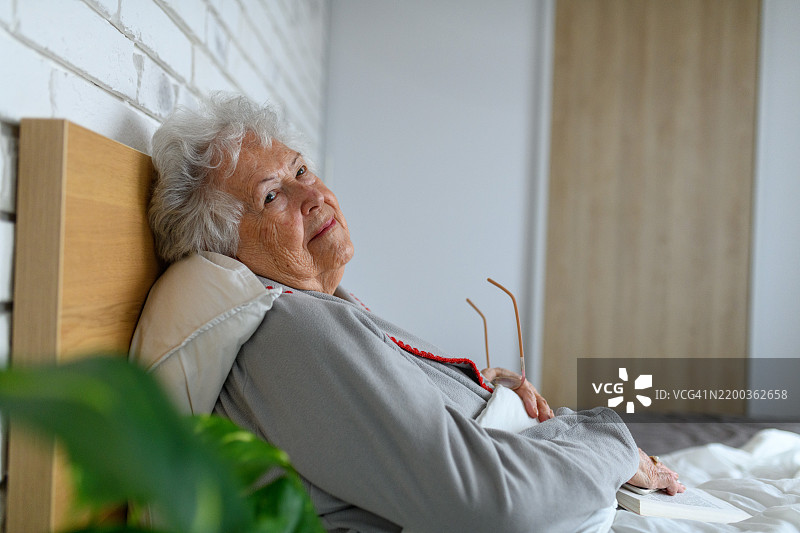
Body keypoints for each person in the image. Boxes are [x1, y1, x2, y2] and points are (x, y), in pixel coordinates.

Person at [148, 94, 684, 532]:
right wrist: (612, 444)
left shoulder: (321, 306)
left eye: (301, 169)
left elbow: (390, 424)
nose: (311, 195)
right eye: (271, 197)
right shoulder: (291, 329)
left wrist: (470, 384)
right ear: (225, 251)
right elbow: (490, 503)